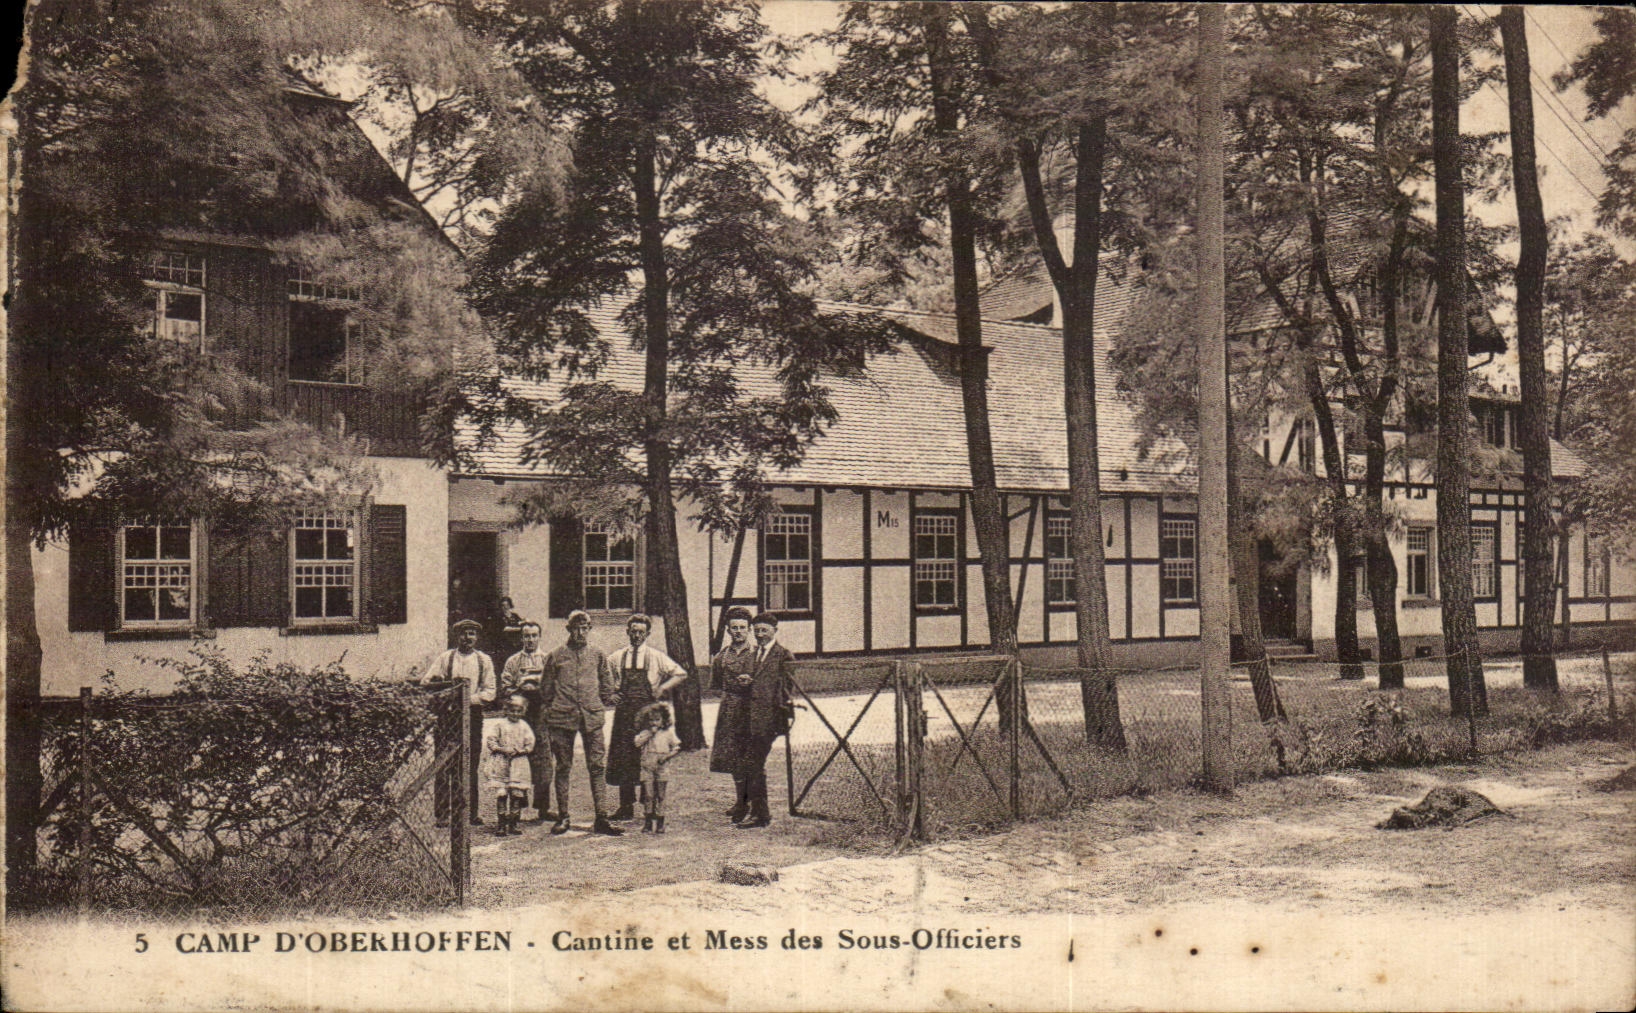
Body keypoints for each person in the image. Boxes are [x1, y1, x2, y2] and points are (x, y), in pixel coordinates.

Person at [542, 610, 624, 836]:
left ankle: (602, 817)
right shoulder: (555, 656)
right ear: (568, 629)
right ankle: (563, 816)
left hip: (592, 717)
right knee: (563, 767)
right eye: (575, 628)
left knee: (597, 767)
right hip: (562, 718)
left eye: (585, 628)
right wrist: (553, 710)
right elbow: (546, 690)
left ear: (590, 629)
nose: (580, 632)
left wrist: (609, 698)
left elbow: (607, 686)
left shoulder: (598, 655)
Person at [711, 608, 793, 828]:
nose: (760, 635)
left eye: (764, 630)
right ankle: (755, 811)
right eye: (757, 631)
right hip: (750, 718)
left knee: (754, 763)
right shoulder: (755, 653)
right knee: (750, 763)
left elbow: (785, 688)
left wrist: (780, 715)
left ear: (774, 630)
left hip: (768, 718)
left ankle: (759, 813)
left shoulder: (782, 654)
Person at [604, 614, 690, 821]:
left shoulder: (655, 657)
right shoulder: (616, 657)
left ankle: (648, 806)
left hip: (648, 713)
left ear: (648, 634)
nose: (636, 636)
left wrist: (662, 688)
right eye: (633, 631)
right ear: (627, 632)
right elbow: (604, 678)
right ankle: (625, 806)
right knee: (625, 756)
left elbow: (681, 673)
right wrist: (611, 694)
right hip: (624, 714)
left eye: (641, 632)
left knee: (648, 756)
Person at [429, 618, 497, 826]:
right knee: (444, 763)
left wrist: (468, 698)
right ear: (456, 636)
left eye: (472, 634)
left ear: (477, 637)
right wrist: (446, 691)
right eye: (463, 633)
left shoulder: (483, 660)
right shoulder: (446, 658)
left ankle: (469, 812)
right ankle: (443, 814)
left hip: (472, 716)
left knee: (469, 763)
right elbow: (428, 681)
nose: (467, 638)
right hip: (448, 716)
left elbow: (490, 692)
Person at [500, 621, 555, 821]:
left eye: (533, 635)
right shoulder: (513, 661)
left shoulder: (548, 659)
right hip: (520, 714)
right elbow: (505, 687)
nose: (530, 640)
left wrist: (540, 691)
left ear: (539, 637)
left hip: (541, 714)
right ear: (521, 638)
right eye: (526, 636)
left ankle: (543, 807)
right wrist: (519, 692)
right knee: (518, 757)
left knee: (544, 759)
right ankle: (517, 806)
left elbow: (554, 687)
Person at [708, 606, 758, 823]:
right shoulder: (721, 657)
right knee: (733, 756)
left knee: (751, 755)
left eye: (742, 628)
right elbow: (716, 684)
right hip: (730, 709)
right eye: (734, 628)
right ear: (728, 631)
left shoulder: (758, 654)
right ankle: (741, 801)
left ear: (749, 630)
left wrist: (752, 683)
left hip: (751, 708)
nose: (738, 631)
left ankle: (755, 803)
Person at [485, 695, 535, 836]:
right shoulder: (500, 725)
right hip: (502, 762)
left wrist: (521, 751)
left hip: (518, 763)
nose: (515, 714)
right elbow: (491, 740)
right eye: (512, 710)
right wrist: (500, 749)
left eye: (518, 711)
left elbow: (530, 743)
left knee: (516, 794)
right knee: (502, 794)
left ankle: (514, 823)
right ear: (507, 710)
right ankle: (501, 824)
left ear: (523, 712)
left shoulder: (524, 726)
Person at [632, 702, 681, 833]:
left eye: (657, 720)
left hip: (661, 765)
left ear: (664, 719)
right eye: (651, 720)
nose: (654, 723)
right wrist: (649, 734)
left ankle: (660, 822)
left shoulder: (668, 733)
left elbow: (676, 747)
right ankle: (648, 822)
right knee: (648, 794)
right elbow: (637, 743)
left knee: (660, 795)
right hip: (647, 765)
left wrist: (667, 757)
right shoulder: (644, 733)